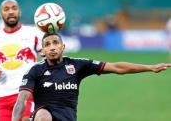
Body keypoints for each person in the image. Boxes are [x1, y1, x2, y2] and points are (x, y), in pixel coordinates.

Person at [12, 33, 171, 121]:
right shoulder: (35, 70)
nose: (52, 47)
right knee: (42, 117)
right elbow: (22, 100)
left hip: (68, 118)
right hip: (42, 117)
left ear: (63, 47)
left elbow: (117, 67)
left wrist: (149, 68)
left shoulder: (77, 65)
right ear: (42, 51)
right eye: (47, 45)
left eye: (55, 43)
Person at [0, 0, 44, 121]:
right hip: (3, 96)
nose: (11, 12)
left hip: (28, 92)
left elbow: (46, 57)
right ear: (0, 14)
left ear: (19, 12)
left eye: (14, 8)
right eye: (6, 9)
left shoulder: (32, 33)